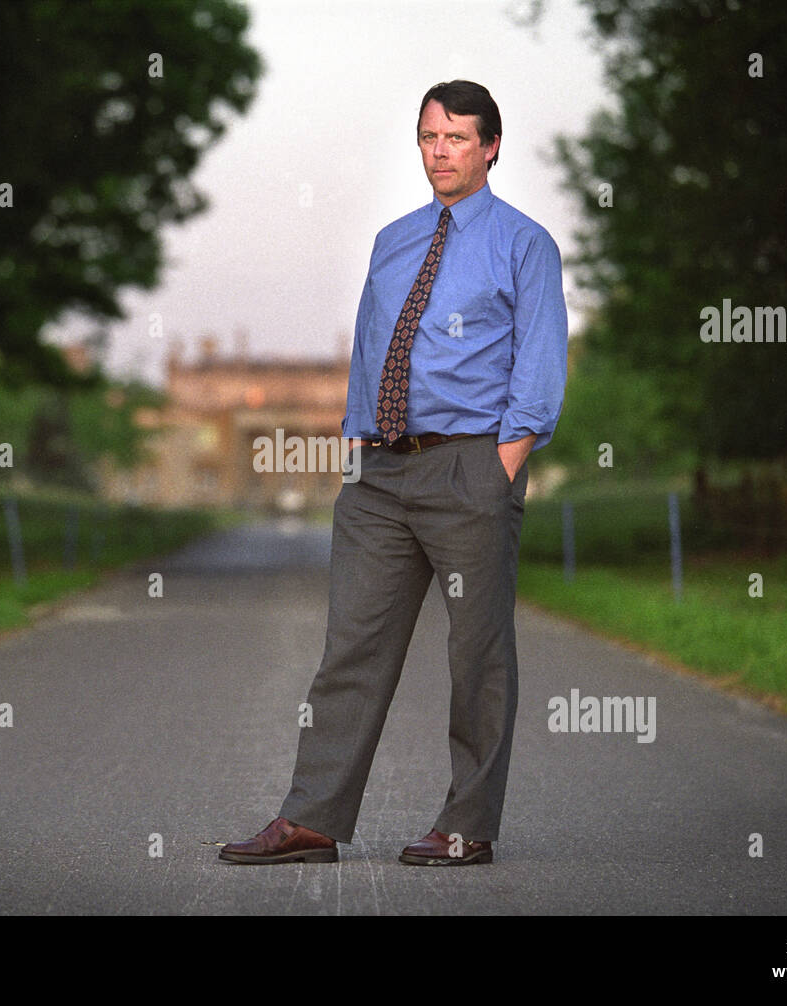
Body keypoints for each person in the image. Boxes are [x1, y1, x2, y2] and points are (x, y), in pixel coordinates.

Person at [220, 80, 568, 866]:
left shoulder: (524, 244)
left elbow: (540, 368)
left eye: (455, 138)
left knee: (476, 657)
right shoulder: (393, 239)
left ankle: (466, 825)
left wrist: (500, 465)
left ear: (490, 148)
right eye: (427, 137)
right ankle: (311, 819)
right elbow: (373, 345)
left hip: (469, 471)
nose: (438, 152)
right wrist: (354, 443)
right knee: (351, 649)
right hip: (379, 478)